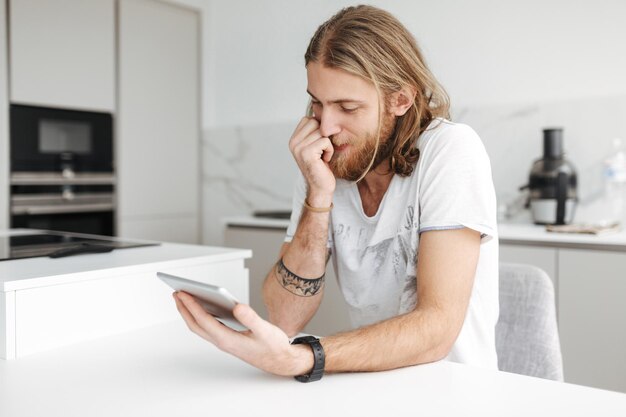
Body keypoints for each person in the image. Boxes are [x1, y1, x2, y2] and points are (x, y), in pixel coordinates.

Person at [173, 4, 499, 382]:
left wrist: (304, 357)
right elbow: (285, 316)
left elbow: (437, 330)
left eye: (347, 107)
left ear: (400, 100)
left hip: (456, 390)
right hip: (373, 383)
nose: (326, 126)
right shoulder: (326, 162)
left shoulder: (450, 150)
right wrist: (319, 195)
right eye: (317, 103)